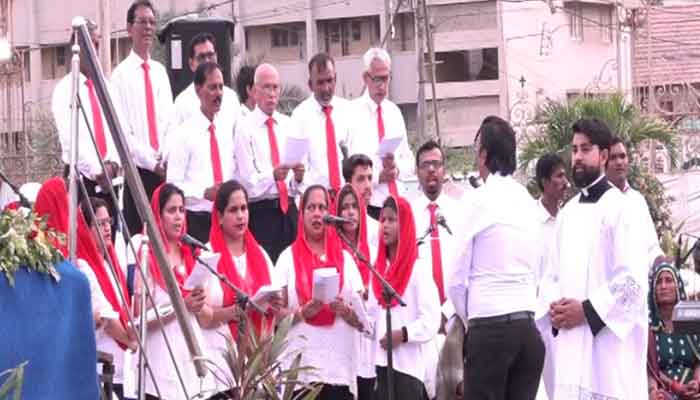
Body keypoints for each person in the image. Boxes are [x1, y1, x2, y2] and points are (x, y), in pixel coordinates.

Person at [537, 118, 648, 400]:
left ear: (604, 156)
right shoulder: (568, 213)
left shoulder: (622, 209)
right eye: (574, 150)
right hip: (570, 348)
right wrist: (556, 310)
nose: (577, 157)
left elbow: (632, 282)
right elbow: (551, 275)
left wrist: (586, 312)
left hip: (607, 354)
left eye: (585, 149)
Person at [448, 116, 544, 400]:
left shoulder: (476, 200)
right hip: (528, 330)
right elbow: (538, 270)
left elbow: (455, 279)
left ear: (484, 155)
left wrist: (472, 322)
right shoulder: (529, 203)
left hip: (489, 328)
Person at [34, 177, 134, 399]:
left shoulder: (46, 265)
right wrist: (131, 340)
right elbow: (103, 315)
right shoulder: (75, 268)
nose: (73, 220)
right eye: (68, 209)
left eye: (109, 222)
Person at [276, 185, 364, 399]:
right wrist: (302, 313)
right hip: (302, 373)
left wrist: (345, 310)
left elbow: (362, 321)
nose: (317, 213)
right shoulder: (287, 258)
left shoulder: (346, 259)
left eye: (322, 207)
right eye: (311, 207)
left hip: (339, 371)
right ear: (302, 213)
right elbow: (275, 317)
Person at [132, 183, 216, 400]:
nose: (179, 217)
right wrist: (181, 306)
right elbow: (137, 321)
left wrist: (198, 304)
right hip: (160, 373)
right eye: (171, 210)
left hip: (192, 369)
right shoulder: (147, 256)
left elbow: (206, 319)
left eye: (181, 210)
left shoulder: (191, 256)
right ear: (157, 216)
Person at [203, 179, 280, 393]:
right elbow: (202, 317)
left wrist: (275, 302)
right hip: (222, 369)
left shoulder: (261, 255)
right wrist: (234, 312)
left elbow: (275, 308)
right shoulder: (208, 257)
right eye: (233, 210)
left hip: (257, 364)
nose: (240, 215)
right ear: (219, 217)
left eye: (244, 208)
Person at [52, 20, 122, 233]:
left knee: (111, 240)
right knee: (86, 240)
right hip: (83, 181)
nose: (96, 51)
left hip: (112, 180)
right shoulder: (65, 89)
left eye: (98, 44)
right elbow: (70, 139)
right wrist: (99, 170)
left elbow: (118, 130)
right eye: (91, 44)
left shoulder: (106, 86)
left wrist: (114, 164)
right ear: (77, 47)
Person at [112, 0, 175, 237]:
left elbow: (169, 121)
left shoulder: (159, 72)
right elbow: (123, 133)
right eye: (142, 22)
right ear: (129, 29)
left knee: (168, 238)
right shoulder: (120, 76)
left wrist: (166, 158)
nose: (148, 27)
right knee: (142, 242)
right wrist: (152, 163)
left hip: (165, 172)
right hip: (139, 173)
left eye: (152, 22)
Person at [370, 195, 441, 400]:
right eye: (383, 220)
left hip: (408, 370)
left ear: (406, 225)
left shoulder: (417, 269)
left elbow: (431, 320)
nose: (385, 225)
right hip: (381, 366)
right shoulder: (377, 271)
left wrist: (402, 334)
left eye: (392, 220)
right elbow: (374, 320)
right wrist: (354, 315)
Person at [234, 63, 304, 263]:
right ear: (254, 91)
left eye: (275, 87)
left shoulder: (288, 125)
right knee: (267, 271)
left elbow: (293, 184)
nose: (272, 93)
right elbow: (248, 184)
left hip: (289, 210)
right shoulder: (244, 128)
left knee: (293, 270)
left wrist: (297, 178)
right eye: (266, 87)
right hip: (262, 213)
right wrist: (272, 175)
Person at [167, 62, 236, 243]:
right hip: (198, 220)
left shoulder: (227, 128)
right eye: (212, 87)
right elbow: (173, 185)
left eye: (221, 87)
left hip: (226, 219)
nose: (219, 93)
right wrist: (203, 193)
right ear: (198, 90)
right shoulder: (184, 133)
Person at [348, 47, 415, 220]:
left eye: (386, 78)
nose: (382, 85)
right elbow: (349, 167)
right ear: (365, 78)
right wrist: (378, 177)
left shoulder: (394, 112)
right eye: (377, 79)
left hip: (398, 203)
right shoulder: (352, 114)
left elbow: (408, 159)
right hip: (370, 205)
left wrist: (396, 171)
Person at [335, 184, 378, 400]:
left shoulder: (375, 248)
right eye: (345, 207)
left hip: (371, 336)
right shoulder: (333, 250)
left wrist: (371, 294)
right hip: (342, 333)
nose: (350, 212)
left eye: (354, 207)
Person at [292, 53, 352, 197]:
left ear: (336, 79)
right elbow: (298, 169)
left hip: (346, 199)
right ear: (310, 85)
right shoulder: (299, 116)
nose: (326, 88)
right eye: (320, 82)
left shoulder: (349, 111)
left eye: (330, 80)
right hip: (316, 202)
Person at [606, 136, 664, 270]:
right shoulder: (598, 201)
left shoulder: (637, 201)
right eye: (613, 157)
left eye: (622, 156)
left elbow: (652, 246)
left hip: (641, 287)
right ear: (604, 162)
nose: (619, 162)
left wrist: (661, 262)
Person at [647, 263, 700, 400]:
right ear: (653, 290)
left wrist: (696, 383)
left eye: (669, 280)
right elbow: (650, 370)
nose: (663, 286)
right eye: (659, 282)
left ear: (678, 287)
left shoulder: (690, 321)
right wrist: (676, 387)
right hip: (663, 392)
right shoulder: (649, 327)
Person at [173, 32, 240, 126]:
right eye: (201, 57)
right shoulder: (182, 103)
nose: (207, 61)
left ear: (216, 57)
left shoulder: (231, 99)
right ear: (191, 64)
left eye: (210, 55)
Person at [534, 153, 569, 281]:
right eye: (559, 176)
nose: (566, 183)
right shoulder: (529, 220)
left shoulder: (568, 219)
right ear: (545, 183)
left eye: (565, 176)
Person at [342, 153, 376, 220]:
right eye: (361, 179)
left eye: (370, 178)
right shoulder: (337, 226)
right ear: (348, 185)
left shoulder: (377, 227)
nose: (368, 186)